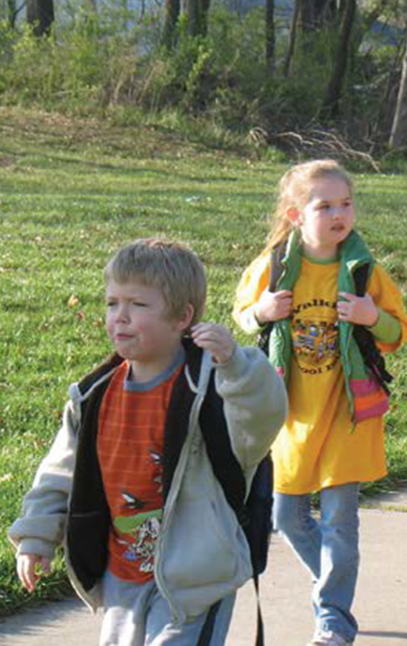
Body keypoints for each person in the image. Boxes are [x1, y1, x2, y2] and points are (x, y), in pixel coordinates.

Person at [9, 238, 288, 645]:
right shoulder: (94, 396)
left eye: (137, 305)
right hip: (122, 572)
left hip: (195, 577)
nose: (119, 317)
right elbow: (61, 472)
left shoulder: (208, 387)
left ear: (182, 317)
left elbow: (261, 418)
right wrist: (36, 537)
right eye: (111, 303)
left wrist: (236, 364)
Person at [233, 160, 407, 646]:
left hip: (349, 416)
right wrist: (262, 311)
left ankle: (332, 618)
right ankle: (334, 583)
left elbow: (398, 332)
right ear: (295, 215)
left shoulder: (362, 271)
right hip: (292, 417)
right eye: (325, 205)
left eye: (346, 203)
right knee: (285, 516)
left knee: (340, 525)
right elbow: (243, 319)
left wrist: (372, 315)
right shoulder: (274, 266)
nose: (339, 214)